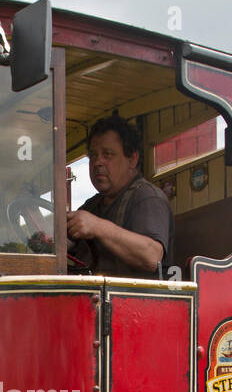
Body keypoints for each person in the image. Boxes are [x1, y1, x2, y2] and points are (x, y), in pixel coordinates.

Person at [66, 115, 173, 278]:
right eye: (93, 156)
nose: (97, 163)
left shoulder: (147, 197)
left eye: (107, 154)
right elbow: (64, 246)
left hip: (136, 301)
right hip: (93, 298)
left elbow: (151, 256)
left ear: (132, 159)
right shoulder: (92, 206)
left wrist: (98, 227)